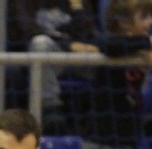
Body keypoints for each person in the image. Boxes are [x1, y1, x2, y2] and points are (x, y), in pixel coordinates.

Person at [71, 0, 152, 149]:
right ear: (123, 22)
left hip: (122, 144)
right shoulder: (115, 46)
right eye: (144, 17)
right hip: (104, 145)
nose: (150, 22)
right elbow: (107, 45)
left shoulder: (134, 50)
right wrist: (146, 44)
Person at [8, 0, 99, 133]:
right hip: (48, 56)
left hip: (79, 58)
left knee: (104, 53)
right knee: (40, 43)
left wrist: (78, 8)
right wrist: (68, 45)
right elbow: (28, 30)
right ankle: (51, 111)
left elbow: (88, 34)